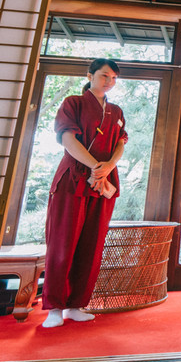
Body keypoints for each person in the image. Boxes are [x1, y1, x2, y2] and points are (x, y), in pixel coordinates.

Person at [41, 58, 128, 329]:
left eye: (113, 78)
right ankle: (54, 307)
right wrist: (94, 166)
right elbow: (68, 138)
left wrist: (107, 167)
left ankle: (76, 304)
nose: (109, 82)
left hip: (102, 182)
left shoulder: (116, 110)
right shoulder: (73, 103)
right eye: (104, 76)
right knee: (62, 242)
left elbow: (121, 143)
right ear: (90, 75)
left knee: (92, 243)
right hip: (74, 178)